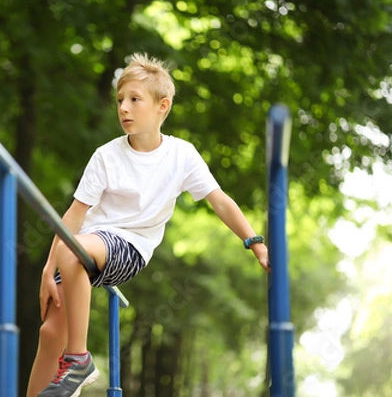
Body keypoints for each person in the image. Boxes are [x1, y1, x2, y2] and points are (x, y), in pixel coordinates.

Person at [27, 53, 270, 397]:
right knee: (50, 332)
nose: (124, 108)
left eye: (135, 100)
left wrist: (255, 242)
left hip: (130, 247)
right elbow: (74, 215)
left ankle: (78, 359)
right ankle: (59, 375)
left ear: (162, 107)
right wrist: (47, 268)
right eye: (120, 100)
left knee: (73, 251)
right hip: (83, 246)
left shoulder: (181, 156)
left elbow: (221, 201)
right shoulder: (106, 155)